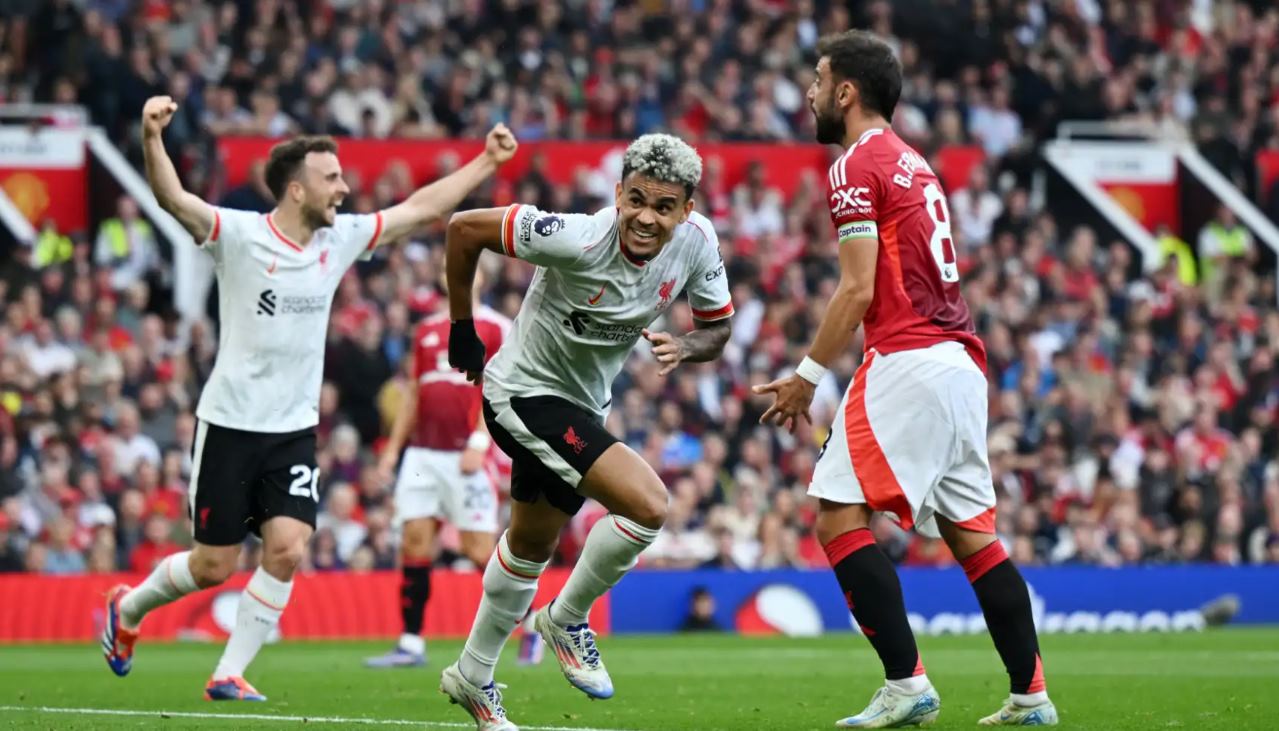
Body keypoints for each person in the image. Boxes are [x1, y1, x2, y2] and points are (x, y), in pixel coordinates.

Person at [100, 94, 517, 701]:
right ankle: (128, 608)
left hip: (293, 429)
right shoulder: (237, 235)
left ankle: (229, 671)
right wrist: (150, 137)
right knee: (212, 565)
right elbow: (173, 200)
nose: (344, 188)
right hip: (229, 423)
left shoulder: (339, 239)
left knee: (289, 548)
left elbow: (420, 209)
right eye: (331, 178)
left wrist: (484, 161)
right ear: (296, 190)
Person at [752, 31, 1058, 728]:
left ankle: (905, 683)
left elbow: (856, 288)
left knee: (834, 514)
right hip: (959, 364)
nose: (809, 92)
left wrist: (804, 376)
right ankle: (1030, 694)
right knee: (972, 535)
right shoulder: (915, 163)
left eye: (819, 78)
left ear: (846, 92)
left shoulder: (854, 164)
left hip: (907, 355)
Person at [439, 133, 734, 731]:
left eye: (664, 206)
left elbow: (718, 328)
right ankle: (568, 616)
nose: (646, 218)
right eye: (636, 200)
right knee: (648, 504)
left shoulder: (698, 247)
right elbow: (463, 228)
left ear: (688, 211)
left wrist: (685, 344)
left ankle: (473, 675)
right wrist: (462, 329)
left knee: (529, 547)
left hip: (581, 407)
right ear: (618, 194)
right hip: (522, 394)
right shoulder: (575, 236)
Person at [364, 269, 510, 669]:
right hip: (422, 456)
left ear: (483, 277)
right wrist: (393, 451)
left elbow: (502, 388)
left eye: (473, 265)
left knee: (477, 548)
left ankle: (531, 623)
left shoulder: (497, 328)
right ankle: (410, 643)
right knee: (414, 542)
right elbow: (414, 393)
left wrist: (481, 442)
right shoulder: (426, 329)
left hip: (467, 454)